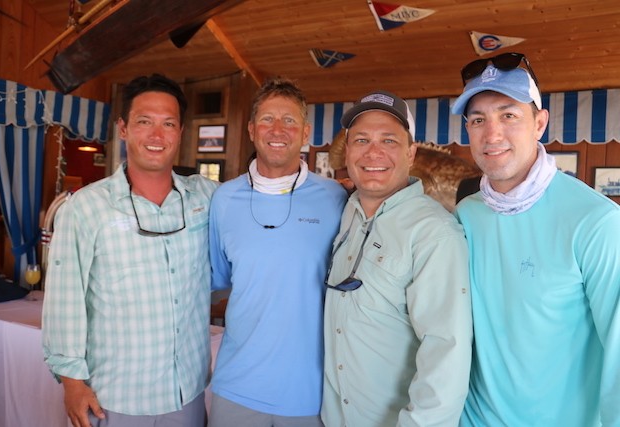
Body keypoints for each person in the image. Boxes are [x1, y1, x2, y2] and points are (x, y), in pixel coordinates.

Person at [451, 53, 620, 426]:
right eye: (478, 120)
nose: (492, 135)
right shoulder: (466, 215)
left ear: (539, 123)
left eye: (508, 115)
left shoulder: (596, 221)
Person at [42, 74, 218, 427]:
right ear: (123, 128)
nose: (157, 135)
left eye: (168, 124)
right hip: (115, 397)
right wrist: (72, 382)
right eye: (144, 122)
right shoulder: (86, 207)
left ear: (180, 132)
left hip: (186, 393)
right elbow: (65, 299)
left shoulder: (206, 197)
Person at [321, 90, 473, 427]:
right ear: (348, 152)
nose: (373, 152)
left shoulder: (434, 232)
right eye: (361, 140)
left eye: (388, 140)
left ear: (410, 153)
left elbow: (446, 353)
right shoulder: (346, 213)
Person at [208, 77, 347, 426]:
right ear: (251, 130)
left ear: (305, 133)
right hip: (236, 385)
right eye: (268, 119)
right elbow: (220, 282)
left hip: (310, 390)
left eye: (289, 120)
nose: (278, 130)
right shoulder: (224, 199)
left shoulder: (334, 198)